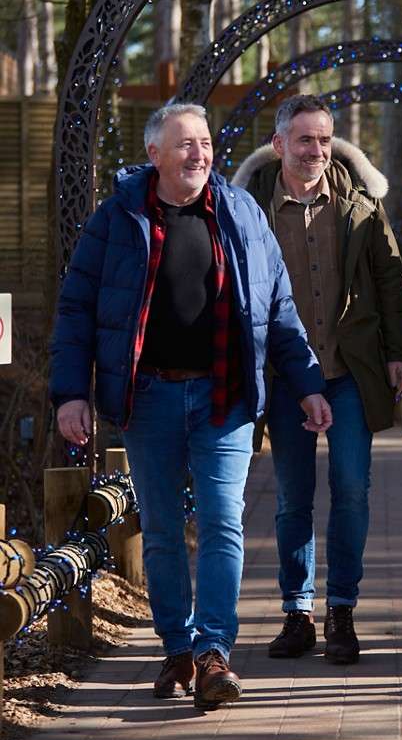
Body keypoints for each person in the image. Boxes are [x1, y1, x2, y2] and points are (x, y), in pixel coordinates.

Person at [50, 103, 329, 709]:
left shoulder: (242, 213)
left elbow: (279, 309)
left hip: (223, 395)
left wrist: (309, 383)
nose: (199, 154)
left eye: (204, 142)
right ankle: (176, 645)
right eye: (185, 145)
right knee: (162, 532)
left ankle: (213, 652)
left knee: (224, 523)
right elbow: (75, 311)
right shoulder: (116, 219)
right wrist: (71, 392)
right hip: (147, 396)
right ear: (155, 154)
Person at [233, 95, 402, 665]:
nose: (316, 150)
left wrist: (397, 353)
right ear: (279, 144)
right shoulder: (247, 207)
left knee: (353, 492)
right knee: (291, 499)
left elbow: (389, 278)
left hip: (349, 372)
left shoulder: (359, 204)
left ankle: (343, 611)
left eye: (325, 139)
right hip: (284, 377)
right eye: (304, 140)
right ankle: (296, 612)